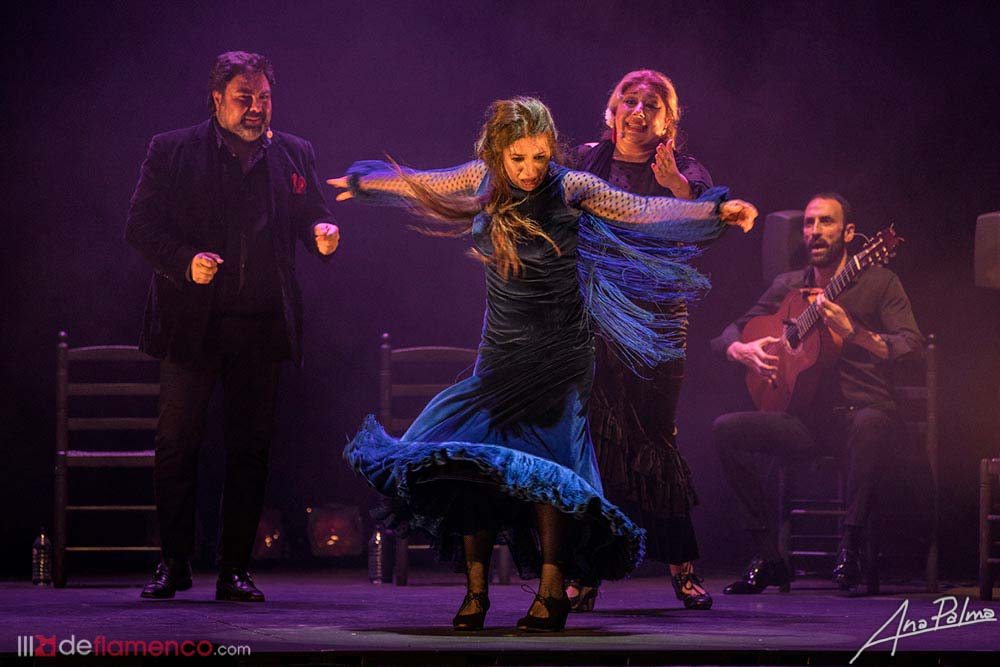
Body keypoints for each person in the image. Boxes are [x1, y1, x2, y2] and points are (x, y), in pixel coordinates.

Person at [328, 97, 756, 631]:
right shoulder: (484, 178)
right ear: (498, 153)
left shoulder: (574, 186)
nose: (530, 170)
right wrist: (367, 184)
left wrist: (712, 211)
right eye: (518, 159)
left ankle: (553, 592)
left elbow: (643, 210)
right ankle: (476, 592)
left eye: (539, 157)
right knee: (476, 464)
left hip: (561, 354)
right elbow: (427, 183)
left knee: (555, 468)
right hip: (501, 353)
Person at [125, 51, 341, 602]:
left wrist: (322, 231)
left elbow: (312, 213)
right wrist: (185, 262)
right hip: (193, 324)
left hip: (261, 326)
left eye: (264, 97)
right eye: (244, 98)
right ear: (217, 99)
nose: (256, 108)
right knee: (177, 444)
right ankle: (174, 563)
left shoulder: (293, 152)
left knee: (250, 448)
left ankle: (234, 569)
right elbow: (140, 227)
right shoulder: (172, 150)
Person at [711, 193, 923, 593]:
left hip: (863, 413)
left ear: (849, 233)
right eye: (809, 223)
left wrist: (855, 333)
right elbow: (729, 331)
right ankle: (768, 555)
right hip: (806, 422)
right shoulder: (788, 285)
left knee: (871, 423)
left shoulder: (879, 281)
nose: (815, 231)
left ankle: (851, 546)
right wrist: (740, 350)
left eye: (826, 222)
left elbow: (910, 345)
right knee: (726, 429)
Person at [564, 69, 714, 612]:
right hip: (596, 317)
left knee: (655, 436)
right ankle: (587, 572)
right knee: (599, 440)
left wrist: (674, 185)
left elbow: (705, 218)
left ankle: (682, 566)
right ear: (612, 112)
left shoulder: (685, 169)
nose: (638, 111)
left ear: (668, 121)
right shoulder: (585, 161)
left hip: (657, 321)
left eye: (652, 104)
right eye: (629, 101)